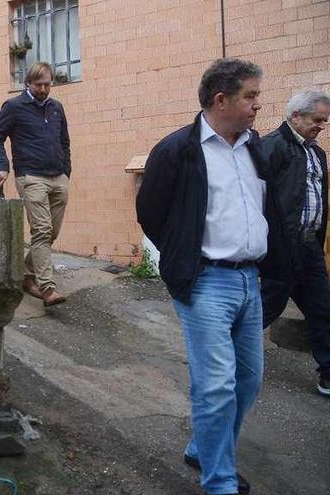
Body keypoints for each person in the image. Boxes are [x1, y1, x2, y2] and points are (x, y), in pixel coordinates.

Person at [136, 58, 275, 495]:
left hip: (250, 281)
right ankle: (220, 482)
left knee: (248, 381)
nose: (257, 105)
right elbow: (151, 213)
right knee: (216, 387)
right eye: (250, 96)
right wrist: (184, 264)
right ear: (221, 99)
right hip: (206, 282)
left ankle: (204, 447)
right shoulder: (179, 149)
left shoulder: (254, 147)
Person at [259, 89, 330, 397]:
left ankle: (327, 375)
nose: (322, 126)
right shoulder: (271, 147)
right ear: (296, 116)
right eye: (317, 119)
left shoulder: (317, 153)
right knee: (265, 308)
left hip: (310, 247)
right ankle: (224, 359)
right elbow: (256, 200)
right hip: (281, 248)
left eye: (325, 121)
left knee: (322, 309)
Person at [0, 62, 70, 306]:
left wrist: (67, 171)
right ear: (28, 84)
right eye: (39, 85)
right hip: (31, 177)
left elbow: (65, 141)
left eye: (47, 84)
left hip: (58, 177)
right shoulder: (14, 107)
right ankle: (47, 288)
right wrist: (3, 165)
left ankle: (25, 273)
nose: (44, 89)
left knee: (51, 233)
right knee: (42, 231)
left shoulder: (57, 108)